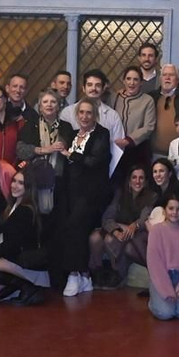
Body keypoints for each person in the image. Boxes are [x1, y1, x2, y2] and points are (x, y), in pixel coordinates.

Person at [56, 100, 113, 296]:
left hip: (91, 194)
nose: (84, 116)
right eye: (81, 112)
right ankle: (84, 275)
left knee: (75, 227)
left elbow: (94, 161)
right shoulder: (72, 135)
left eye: (89, 112)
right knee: (72, 230)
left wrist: (70, 154)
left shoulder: (102, 134)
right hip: (71, 192)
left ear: (95, 114)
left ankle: (74, 273)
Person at [0, 172, 47, 305]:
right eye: (14, 181)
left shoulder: (25, 210)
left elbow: (11, 246)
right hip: (12, 258)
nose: (15, 186)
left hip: (25, 263)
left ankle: (27, 287)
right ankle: (22, 287)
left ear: (28, 187)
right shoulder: (11, 207)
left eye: (21, 183)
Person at [92, 164, 155, 289]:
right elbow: (107, 216)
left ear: (146, 181)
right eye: (134, 177)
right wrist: (116, 230)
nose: (137, 181)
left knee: (111, 240)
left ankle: (117, 274)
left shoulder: (151, 196)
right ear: (129, 181)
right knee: (95, 238)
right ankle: (96, 273)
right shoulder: (120, 194)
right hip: (118, 229)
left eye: (141, 178)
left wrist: (134, 225)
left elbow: (145, 218)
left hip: (138, 233)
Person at [145, 194, 179, 320]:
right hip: (162, 278)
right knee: (165, 313)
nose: (174, 212)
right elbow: (154, 264)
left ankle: (172, 302)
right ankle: (154, 302)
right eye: (171, 208)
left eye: (178, 209)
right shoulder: (156, 231)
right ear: (164, 210)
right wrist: (166, 290)